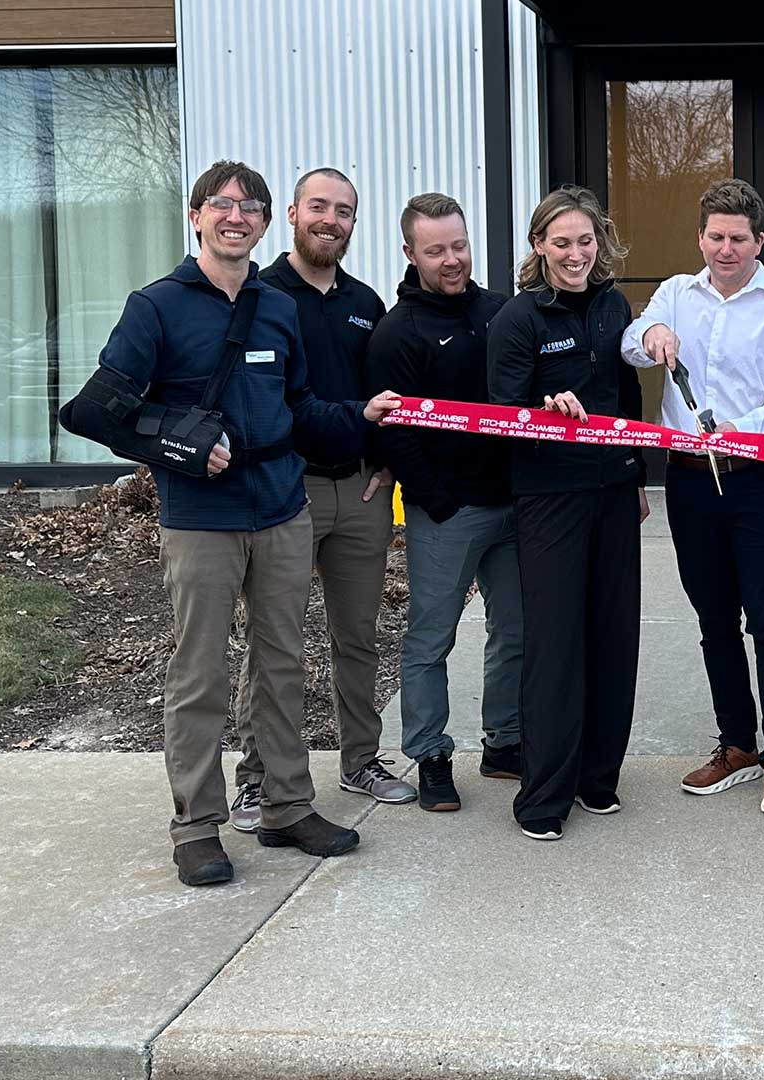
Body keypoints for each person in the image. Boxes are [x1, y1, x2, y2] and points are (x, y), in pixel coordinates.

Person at [89, 160, 401, 886]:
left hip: (282, 506)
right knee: (199, 670)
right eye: (222, 205)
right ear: (196, 216)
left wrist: (361, 415)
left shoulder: (274, 306)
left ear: (266, 222)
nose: (237, 216)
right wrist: (180, 445)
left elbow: (297, 409)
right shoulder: (157, 306)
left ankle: (289, 804)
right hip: (201, 517)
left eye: (250, 207)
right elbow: (102, 410)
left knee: (282, 663)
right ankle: (196, 824)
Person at [225, 167, 412, 833]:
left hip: (359, 490)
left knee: (357, 636)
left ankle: (360, 757)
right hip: (286, 491)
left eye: (344, 211)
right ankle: (257, 778)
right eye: (319, 207)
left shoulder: (366, 302)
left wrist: (386, 463)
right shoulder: (260, 293)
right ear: (295, 213)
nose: (330, 220)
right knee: (275, 642)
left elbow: (388, 394)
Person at [622, 178, 764, 815]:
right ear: (700, 237)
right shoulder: (676, 294)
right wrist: (652, 338)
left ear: (759, 241)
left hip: (756, 476)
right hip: (688, 476)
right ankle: (737, 744)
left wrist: (742, 432)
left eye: (738, 239)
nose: (725, 249)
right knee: (713, 618)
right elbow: (631, 341)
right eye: (715, 237)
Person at [487, 186, 646, 841]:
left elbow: (630, 398)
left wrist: (636, 476)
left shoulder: (615, 307)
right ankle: (544, 797)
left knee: (613, 637)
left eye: (585, 241)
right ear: (539, 247)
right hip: (549, 497)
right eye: (562, 242)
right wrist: (543, 414)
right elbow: (500, 411)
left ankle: (597, 779)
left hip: (613, 492)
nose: (576, 253)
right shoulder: (518, 319)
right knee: (554, 645)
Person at [366, 193, 520, 813]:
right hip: (445, 513)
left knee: (517, 630)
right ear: (410, 253)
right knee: (431, 640)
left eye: (459, 245)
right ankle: (430, 754)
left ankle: (505, 741)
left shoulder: (500, 311)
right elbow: (393, 429)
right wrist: (436, 501)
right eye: (436, 251)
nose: (452, 260)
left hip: (512, 505)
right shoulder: (396, 332)